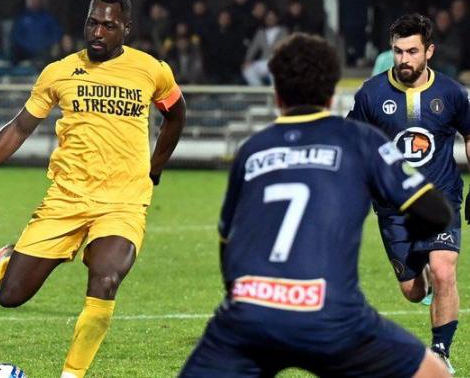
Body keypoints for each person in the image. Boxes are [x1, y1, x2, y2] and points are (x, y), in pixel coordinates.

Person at [179, 32, 452, 377]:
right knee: (435, 374)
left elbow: (226, 244)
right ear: (332, 92)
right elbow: (436, 211)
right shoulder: (360, 139)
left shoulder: (252, 149)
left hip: (250, 315)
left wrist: (251, 299)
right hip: (332, 316)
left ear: (276, 95)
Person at [0, 0, 185, 378]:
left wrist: (154, 167)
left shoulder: (151, 70)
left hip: (122, 203)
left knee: (106, 279)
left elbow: (176, 116)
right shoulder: (59, 72)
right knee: (11, 297)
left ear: (125, 28)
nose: (98, 32)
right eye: (92, 22)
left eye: (109, 25)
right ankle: (9, 257)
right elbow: (21, 127)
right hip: (66, 199)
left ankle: (71, 374)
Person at [348, 14, 470, 373]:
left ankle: (441, 352)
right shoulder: (371, 94)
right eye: (398, 51)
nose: (404, 59)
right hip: (393, 207)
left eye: (412, 51)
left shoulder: (450, 93)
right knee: (413, 291)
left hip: (440, 197)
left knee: (444, 270)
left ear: (429, 51)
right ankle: (426, 282)